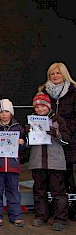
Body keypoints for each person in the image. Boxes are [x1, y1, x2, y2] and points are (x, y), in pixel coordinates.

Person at [26, 92, 70, 231]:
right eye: (37, 107)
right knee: (39, 191)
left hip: (55, 162)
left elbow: (67, 139)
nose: (40, 109)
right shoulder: (31, 121)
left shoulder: (58, 120)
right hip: (37, 161)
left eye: (42, 106)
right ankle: (41, 216)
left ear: (48, 106)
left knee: (58, 192)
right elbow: (25, 144)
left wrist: (55, 133)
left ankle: (61, 219)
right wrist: (27, 133)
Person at [38, 63, 76, 196]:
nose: (55, 76)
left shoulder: (74, 92)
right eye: (52, 73)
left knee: (67, 171)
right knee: (49, 173)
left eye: (58, 73)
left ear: (64, 74)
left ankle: (70, 205)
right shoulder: (43, 92)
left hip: (68, 139)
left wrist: (66, 131)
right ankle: (51, 206)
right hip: (49, 139)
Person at [0, 99, 26, 227]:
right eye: (1, 112)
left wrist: (22, 144)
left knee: (14, 192)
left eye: (7, 111)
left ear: (11, 112)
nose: (4, 114)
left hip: (13, 166)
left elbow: (24, 148)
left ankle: (16, 216)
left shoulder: (19, 128)